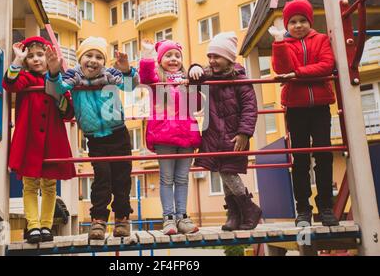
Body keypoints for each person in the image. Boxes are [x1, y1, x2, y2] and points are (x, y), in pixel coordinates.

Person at [45, 36, 139, 239]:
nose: (93, 60)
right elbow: (55, 90)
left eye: (99, 57)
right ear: (80, 59)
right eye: (89, 55)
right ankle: (98, 220)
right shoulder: (73, 76)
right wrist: (53, 72)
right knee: (102, 177)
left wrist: (126, 70)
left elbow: (130, 87)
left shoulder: (110, 74)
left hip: (118, 132)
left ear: (104, 62)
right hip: (95, 137)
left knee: (122, 178)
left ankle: (122, 218)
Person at [268, 0, 339, 226]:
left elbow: (326, 65)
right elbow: (281, 68)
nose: (298, 26)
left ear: (310, 21)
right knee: (299, 159)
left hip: (320, 107)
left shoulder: (321, 40)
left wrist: (297, 74)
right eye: (293, 22)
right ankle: (303, 210)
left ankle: (326, 207)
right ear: (287, 25)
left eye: (302, 21)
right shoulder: (284, 43)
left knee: (324, 156)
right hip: (296, 109)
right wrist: (278, 42)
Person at [3, 36, 77, 243]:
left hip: (52, 141)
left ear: (49, 56)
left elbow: (68, 111)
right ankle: (33, 226)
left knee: (50, 185)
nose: (36, 59)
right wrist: (17, 60)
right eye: (31, 56)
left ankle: (46, 225)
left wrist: (54, 77)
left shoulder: (59, 81)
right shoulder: (26, 79)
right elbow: (9, 83)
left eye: (40, 54)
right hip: (30, 140)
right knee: (30, 185)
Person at [189, 32, 262, 231]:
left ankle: (249, 209)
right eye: (209, 56)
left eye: (217, 57)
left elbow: (249, 107)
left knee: (228, 172)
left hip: (234, 135)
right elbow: (193, 89)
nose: (212, 61)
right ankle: (235, 213)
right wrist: (194, 69)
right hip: (214, 134)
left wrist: (244, 133)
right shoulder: (208, 76)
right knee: (222, 171)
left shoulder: (240, 79)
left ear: (229, 58)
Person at [139, 39, 201, 235]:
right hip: (164, 135)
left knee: (182, 178)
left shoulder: (186, 79)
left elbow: (197, 105)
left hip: (186, 136)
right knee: (166, 178)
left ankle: (182, 217)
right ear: (160, 59)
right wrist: (147, 56)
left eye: (177, 56)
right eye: (168, 55)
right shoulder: (157, 79)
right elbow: (145, 75)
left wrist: (193, 85)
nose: (173, 59)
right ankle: (168, 218)